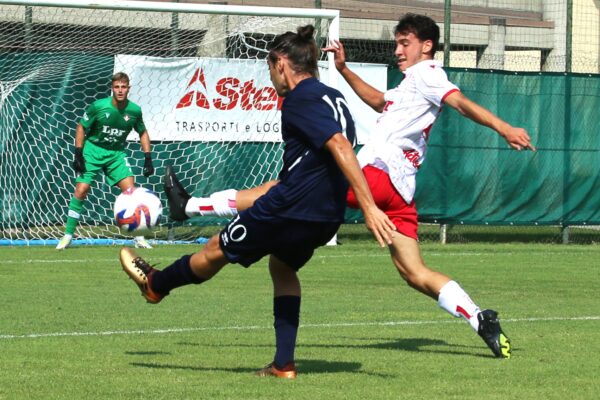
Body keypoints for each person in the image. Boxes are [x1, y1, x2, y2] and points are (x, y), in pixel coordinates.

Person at [173, 14, 537, 359]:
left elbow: (459, 102)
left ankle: (191, 207)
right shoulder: (412, 83)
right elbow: (380, 102)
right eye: (397, 43)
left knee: (291, 185)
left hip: (376, 176)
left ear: (427, 46)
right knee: (415, 272)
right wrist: (344, 70)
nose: (398, 50)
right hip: (401, 190)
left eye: (405, 43)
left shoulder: (428, 74)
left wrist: (504, 129)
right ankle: (478, 317)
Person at [119, 25, 395, 379]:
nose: (271, 80)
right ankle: (283, 364)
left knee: (217, 248)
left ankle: (156, 285)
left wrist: (370, 207)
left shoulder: (299, 99)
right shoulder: (333, 97)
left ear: (281, 63)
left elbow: (339, 146)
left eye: (269, 70)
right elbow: (299, 172)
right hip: (325, 215)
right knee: (282, 267)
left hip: (292, 209)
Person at [56, 72, 155, 250]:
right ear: (112, 88)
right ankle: (68, 236)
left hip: (116, 154)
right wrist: (78, 153)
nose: (120, 90)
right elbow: (81, 127)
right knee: (81, 190)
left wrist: (148, 157)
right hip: (92, 151)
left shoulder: (134, 110)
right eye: (117, 87)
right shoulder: (98, 106)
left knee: (132, 192)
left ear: (128, 88)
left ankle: (139, 237)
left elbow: (142, 132)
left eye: (123, 87)